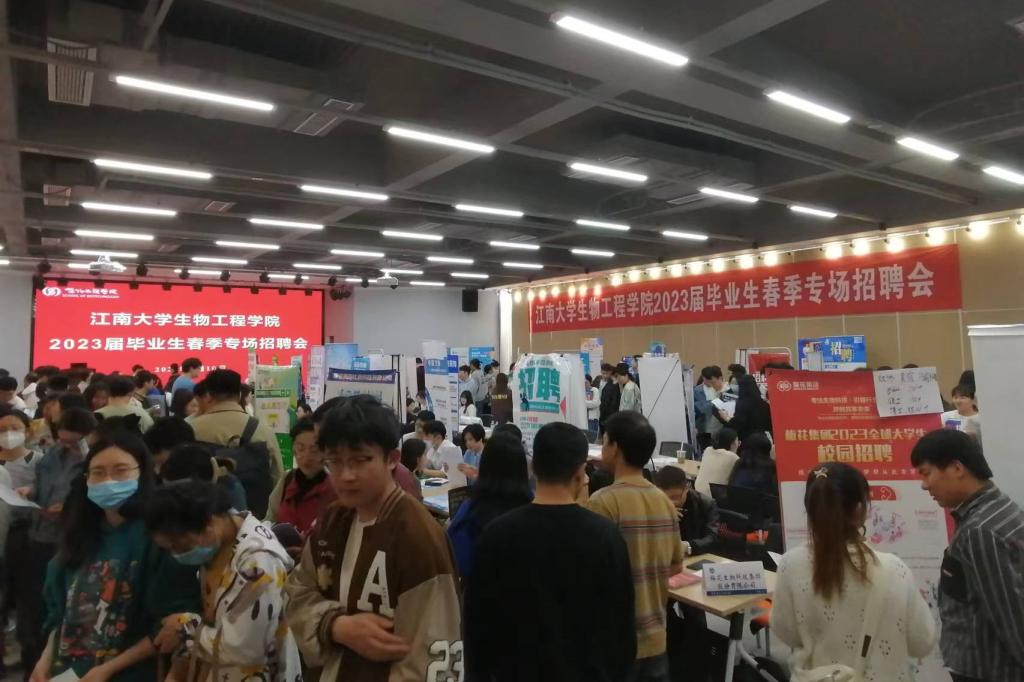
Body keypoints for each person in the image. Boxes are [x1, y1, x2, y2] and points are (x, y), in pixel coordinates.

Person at [284, 395, 462, 681]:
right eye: (334, 462)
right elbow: (296, 592)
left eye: (360, 460)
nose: (346, 475)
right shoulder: (332, 521)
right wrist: (335, 626)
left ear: (392, 459)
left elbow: (434, 654)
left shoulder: (417, 535)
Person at [465, 422, 635, 681]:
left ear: (533, 466)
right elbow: (622, 630)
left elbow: (477, 625)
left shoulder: (497, 535)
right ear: (580, 472)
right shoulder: (606, 537)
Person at [33, 430, 199, 682]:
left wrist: (108, 670)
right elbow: (60, 613)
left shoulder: (160, 537)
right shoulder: (80, 534)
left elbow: (169, 624)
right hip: (68, 673)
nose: (107, 481)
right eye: (98, 473)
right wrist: (45, 661)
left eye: (120, 470)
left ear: (143, 473)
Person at [772, 462, 936, 680]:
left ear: (811, 510)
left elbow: (786, 631)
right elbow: (922, 642)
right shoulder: (895, 570)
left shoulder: (790, 565)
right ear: (859, 510)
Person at [145, 480, 302, 682]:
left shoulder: (258, 561)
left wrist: (186, 630)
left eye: (180, 545)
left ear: (209, 523)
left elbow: (247, 647)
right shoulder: (218, 546)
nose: (177, 554)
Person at [911, 429, 1024, 682]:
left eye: (926, 473)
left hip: (990, 671)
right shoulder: (998, 507)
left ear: (957, 468)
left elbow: (1012, 619)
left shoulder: (980, 531)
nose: (924, 485)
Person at [588, 411, 683, 680]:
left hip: (615, 641)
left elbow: (589, 574)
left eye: (605, 441)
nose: (602, 447)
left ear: (615, 448)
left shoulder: (602, 502)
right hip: (656, 638)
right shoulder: (664, 501)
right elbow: (676, 566)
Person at [654, 465, 719, 682]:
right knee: (662, 617)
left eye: (676, 497)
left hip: (694, 567)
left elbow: (713, 537)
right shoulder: (652, 505)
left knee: (696, 618)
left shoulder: (705, 503)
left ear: (686, 489)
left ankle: (698, 669)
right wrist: (664, 517)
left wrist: (688, 546)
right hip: (663, 570)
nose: (672, 503)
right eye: (666, 498)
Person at [447, 431, 531, 579]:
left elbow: (457, 559)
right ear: (522, 467)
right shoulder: (533, 505)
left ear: (485, 465)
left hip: (480, 587)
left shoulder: (471, 508)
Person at [188, 369, 284, 486]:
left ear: (208, 396)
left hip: (204, 496)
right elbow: (278, 476)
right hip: (253, 497)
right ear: (239, 396)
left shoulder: (190, 428)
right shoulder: (262, 429)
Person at [0, 405, 40, 677]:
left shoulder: (39, 461)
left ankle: (23, 650)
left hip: (28, 537)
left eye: (14, 429)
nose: (8, 435)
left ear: (27, 431)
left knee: (25, 597)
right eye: (2, 430)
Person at [266, 417, 333, 536]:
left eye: (314, 450)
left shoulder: (334, 487)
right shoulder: (287, 479)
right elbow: (270, 519)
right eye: (300, 448)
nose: (306, 456)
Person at [718, 374, 772, 440]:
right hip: (764, 439)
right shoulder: (764, 403)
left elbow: (738, 424)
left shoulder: (742, 404)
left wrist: (726, 418)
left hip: (747, 439)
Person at [694, 427, 740, 496]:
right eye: (737, 442)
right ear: (732, 444)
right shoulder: (734, 457)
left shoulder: (708, 450)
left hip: (697, 493)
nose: (738, 445)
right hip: (714, 498)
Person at [423, 420, 468, 486]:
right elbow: (426, 464)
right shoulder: (432, 448)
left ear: (438, 437)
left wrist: (423, 470)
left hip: (455, 487)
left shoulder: (451, 449)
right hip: (440, 484)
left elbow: (444, 474)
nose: (424, 439)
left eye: (427, 436)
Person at [694, 366, 725, 452]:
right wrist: (715, 402)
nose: (709, 383)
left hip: (719, 425)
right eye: (706, 380)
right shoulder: (697, 390)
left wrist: (710, 403)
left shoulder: (721, 388)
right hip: (703, 426)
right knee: (705, 450)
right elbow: (700, 408)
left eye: (711, 380)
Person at [599, 363, 621, 434]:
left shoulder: (615, 384)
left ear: (610, 372)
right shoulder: (601, 381)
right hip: (602, 415)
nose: (603, 375)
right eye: (602, 373)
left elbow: (614, 404)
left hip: (609, 417)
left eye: (605, 373)